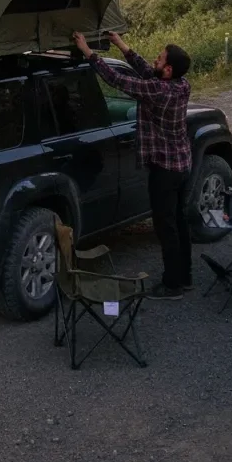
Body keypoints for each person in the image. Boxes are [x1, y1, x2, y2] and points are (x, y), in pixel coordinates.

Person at [72, 30, 193, 300]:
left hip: (165, 169)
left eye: (159, 58)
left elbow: (117, 79)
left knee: (166, 227)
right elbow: (146, 71)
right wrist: (120, 44)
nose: (155, 59)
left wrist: (88, 52)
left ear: (168, 69)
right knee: (179, 222)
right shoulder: (181, 85)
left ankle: (172, 284)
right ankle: (185, 277)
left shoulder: (158, 91)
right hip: (182, 164)